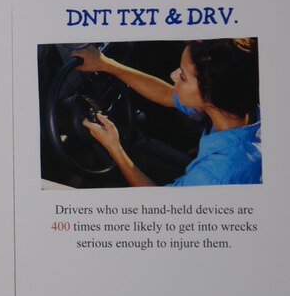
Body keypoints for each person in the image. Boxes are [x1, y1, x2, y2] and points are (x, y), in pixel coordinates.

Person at [75, 38, 261, 187]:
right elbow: (166, 94)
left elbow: (165, 206)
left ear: (211, 93)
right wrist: (105, 64)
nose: (173, 75)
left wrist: (114, 147)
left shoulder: (217, 174)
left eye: (183, 76)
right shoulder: (236, 106)